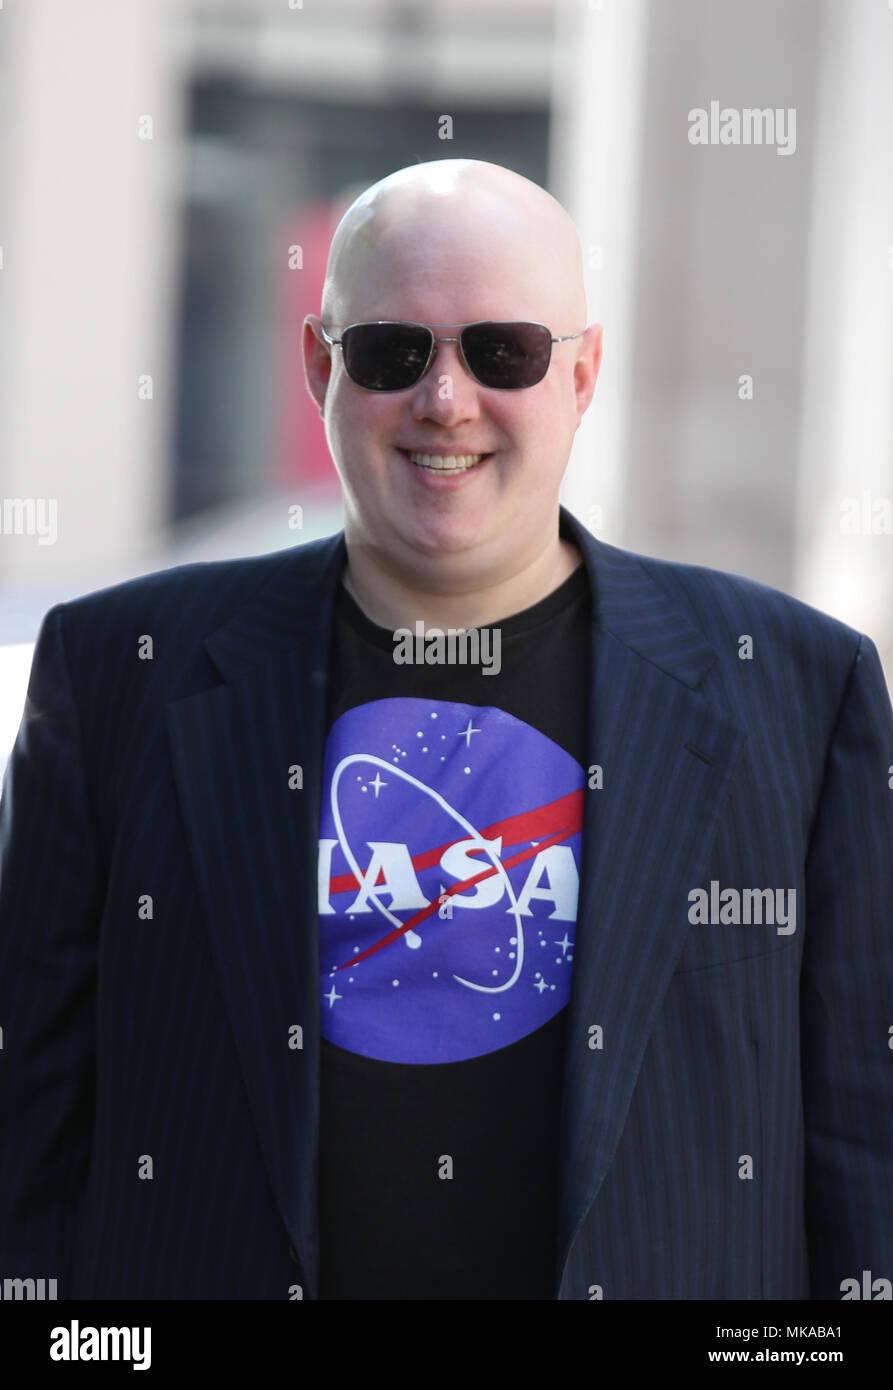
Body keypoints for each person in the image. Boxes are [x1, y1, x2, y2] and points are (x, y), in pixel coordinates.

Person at [0, 158, 891, 1301]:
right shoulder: (118, 674)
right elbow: (29, 1125)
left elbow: (860, 1151)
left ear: (582, 374)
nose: (445, 400)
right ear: (320, 365)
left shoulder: (796, 693)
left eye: (503, 351)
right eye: (391, 352)